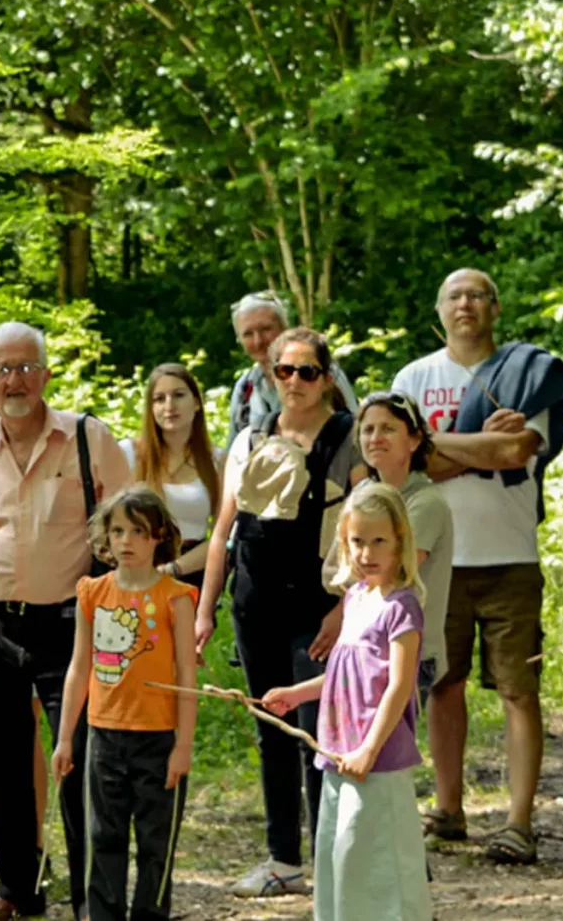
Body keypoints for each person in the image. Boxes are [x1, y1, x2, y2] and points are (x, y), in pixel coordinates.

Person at [0, 322, 133, 919]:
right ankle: (19, 891)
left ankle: (92, 897)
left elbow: (132, 531)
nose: (15, 380)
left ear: (46, 374)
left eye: (26, 367)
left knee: (81, 762)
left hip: (71, 626)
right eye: (3, 370)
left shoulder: (87, 439)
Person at [390, 267, 563, 864]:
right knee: (443, 685)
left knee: (519, 691)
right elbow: (401, 465)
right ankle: (448, 810)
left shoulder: (527, 374)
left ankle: (518, 821)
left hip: (510, 554)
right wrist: (478, 446)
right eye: (453, 296)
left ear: (494, 308)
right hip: (433, 557)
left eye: (476, 295)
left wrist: (437, 443)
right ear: (438, 310)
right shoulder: (413, 377)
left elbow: (517, 450)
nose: (465, 304)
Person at [194, 328, 359, 898]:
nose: (294, 382)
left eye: (306, 372)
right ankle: (284, 859)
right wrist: (205, 610)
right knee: (272, 728)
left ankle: (332, 858)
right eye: (283, 371)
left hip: (317, 606)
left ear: (327, 379)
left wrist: (344, 608)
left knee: (317, 731)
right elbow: (223, 532)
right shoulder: (250, 438)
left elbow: (367, 535)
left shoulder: (347, 440)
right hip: (255, 601)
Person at [261, 484, 433, 921]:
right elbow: (344, 675)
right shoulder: (356, 599)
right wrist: (296, 694)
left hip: (377, 755)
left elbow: (397, 685)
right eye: (358, 541)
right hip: (338, 750)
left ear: (400, 543)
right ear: (344, 543)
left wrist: (369, 749)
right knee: (342, 850)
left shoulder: (402, 606)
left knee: (381, 855)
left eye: (379, 541)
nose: (367, 552)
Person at [49, 489, 197, 921]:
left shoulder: (176, 598)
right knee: (103, 839)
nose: (126, 541)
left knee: (156, 845)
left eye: (138, 531)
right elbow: (80, 667)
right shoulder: (92, 593)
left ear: (158, 538)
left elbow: (187, 674)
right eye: (117, 531)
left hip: (159, 737)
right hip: (104, 737)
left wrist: (183, 745)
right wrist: (64, 740)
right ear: (105, 539)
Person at [351, 392, 454, 709]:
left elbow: (394, 574)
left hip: (409, 652)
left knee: (387, 754)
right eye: (368, 430)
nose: (376, 438)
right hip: (363, 647)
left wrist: (352, 572)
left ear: (413, 440)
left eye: (388, 429)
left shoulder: (425, 502)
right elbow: (334, 567)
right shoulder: (362, 493)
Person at [126, 363, 222, 579]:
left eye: (178, 395)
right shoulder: (130, 454)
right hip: (138, 572)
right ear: (151, 408)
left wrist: (173, 570)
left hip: (192, 572)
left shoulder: (217, 460)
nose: (169, 406)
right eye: (159, 399)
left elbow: (222, 536)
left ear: (197, 403)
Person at [226, 291, 359, 438]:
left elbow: (356, 433)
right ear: (239, 340)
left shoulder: (319, 373)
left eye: (266, 329)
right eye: (248, 334)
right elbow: (233, 450)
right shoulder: (245, 389)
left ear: (284, 328)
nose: (258, 341)